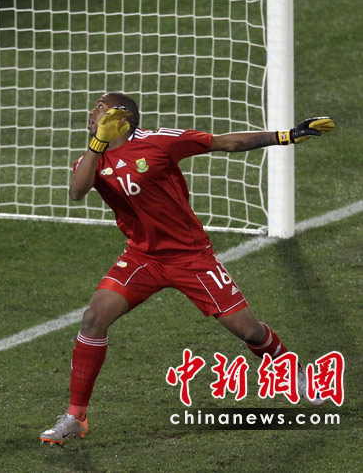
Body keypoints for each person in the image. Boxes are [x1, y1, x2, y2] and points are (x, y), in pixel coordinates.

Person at [40, 92, 336, 445]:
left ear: (122, 119)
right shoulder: (92, 159)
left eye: (100, 110)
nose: (92, 114)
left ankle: (295, 371)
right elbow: (76, 192)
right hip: (142, 258)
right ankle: (75, 416)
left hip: (191, 258)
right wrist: (96, 145)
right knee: (93, 318)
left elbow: (225, 143)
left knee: (249, 331)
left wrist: (285, 135)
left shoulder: (159, 142)